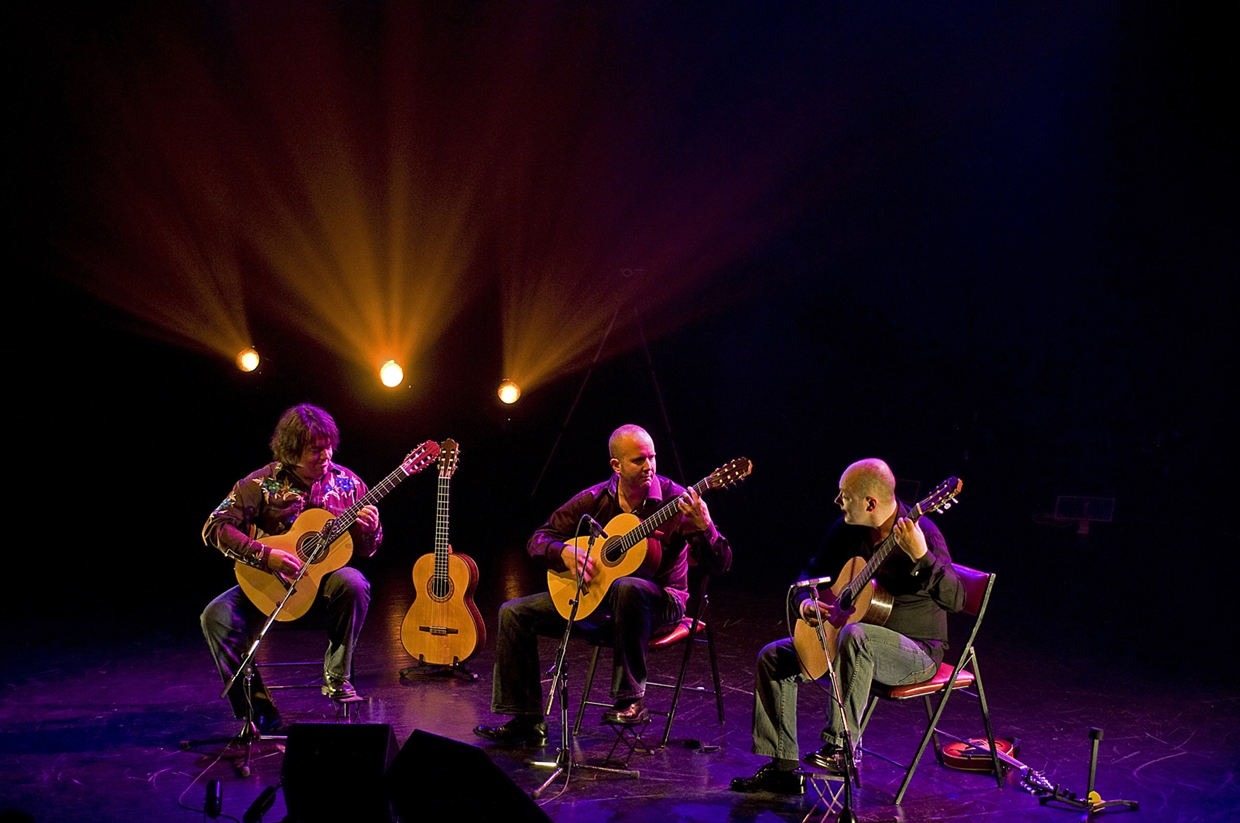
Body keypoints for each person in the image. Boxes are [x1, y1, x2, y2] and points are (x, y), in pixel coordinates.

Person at [474, 424, 732, 745]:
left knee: (627, 586)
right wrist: (565, 551)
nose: (649, 466)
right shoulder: (595, 499)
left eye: (652, 457)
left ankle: (631, 700)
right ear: (617, 466)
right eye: (639, 460)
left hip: (662, 604)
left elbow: (721, 563)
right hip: (603, 605)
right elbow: (538, 538)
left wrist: (706, 528)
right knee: (513, 613)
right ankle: (526, 719)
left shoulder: (676, 501)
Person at [730, 458, 964, 794]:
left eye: (844, 496)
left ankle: (841, 748)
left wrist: (922, 556)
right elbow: (810, 571)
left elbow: (955, 599)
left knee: (858, 636)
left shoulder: (923, 533)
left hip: (915, 652)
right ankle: (782, 768)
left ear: (870, 503)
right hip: (851, 644)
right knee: (773, 658)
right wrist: (806, 602)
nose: (837, 502)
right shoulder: (847, 528)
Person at [200, 404, 382, 733]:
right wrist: (265, 555)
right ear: (291, 451)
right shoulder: (259, 483)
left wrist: (371, 531)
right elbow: (215, 527)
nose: (325, 454)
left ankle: (337, 679)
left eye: (328, 445)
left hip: (325, 590)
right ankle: (257, 711)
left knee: (354, 582)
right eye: (315, 449)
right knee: (216, 616)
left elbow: (368, 551)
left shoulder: (350, 485)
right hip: (273, 585)